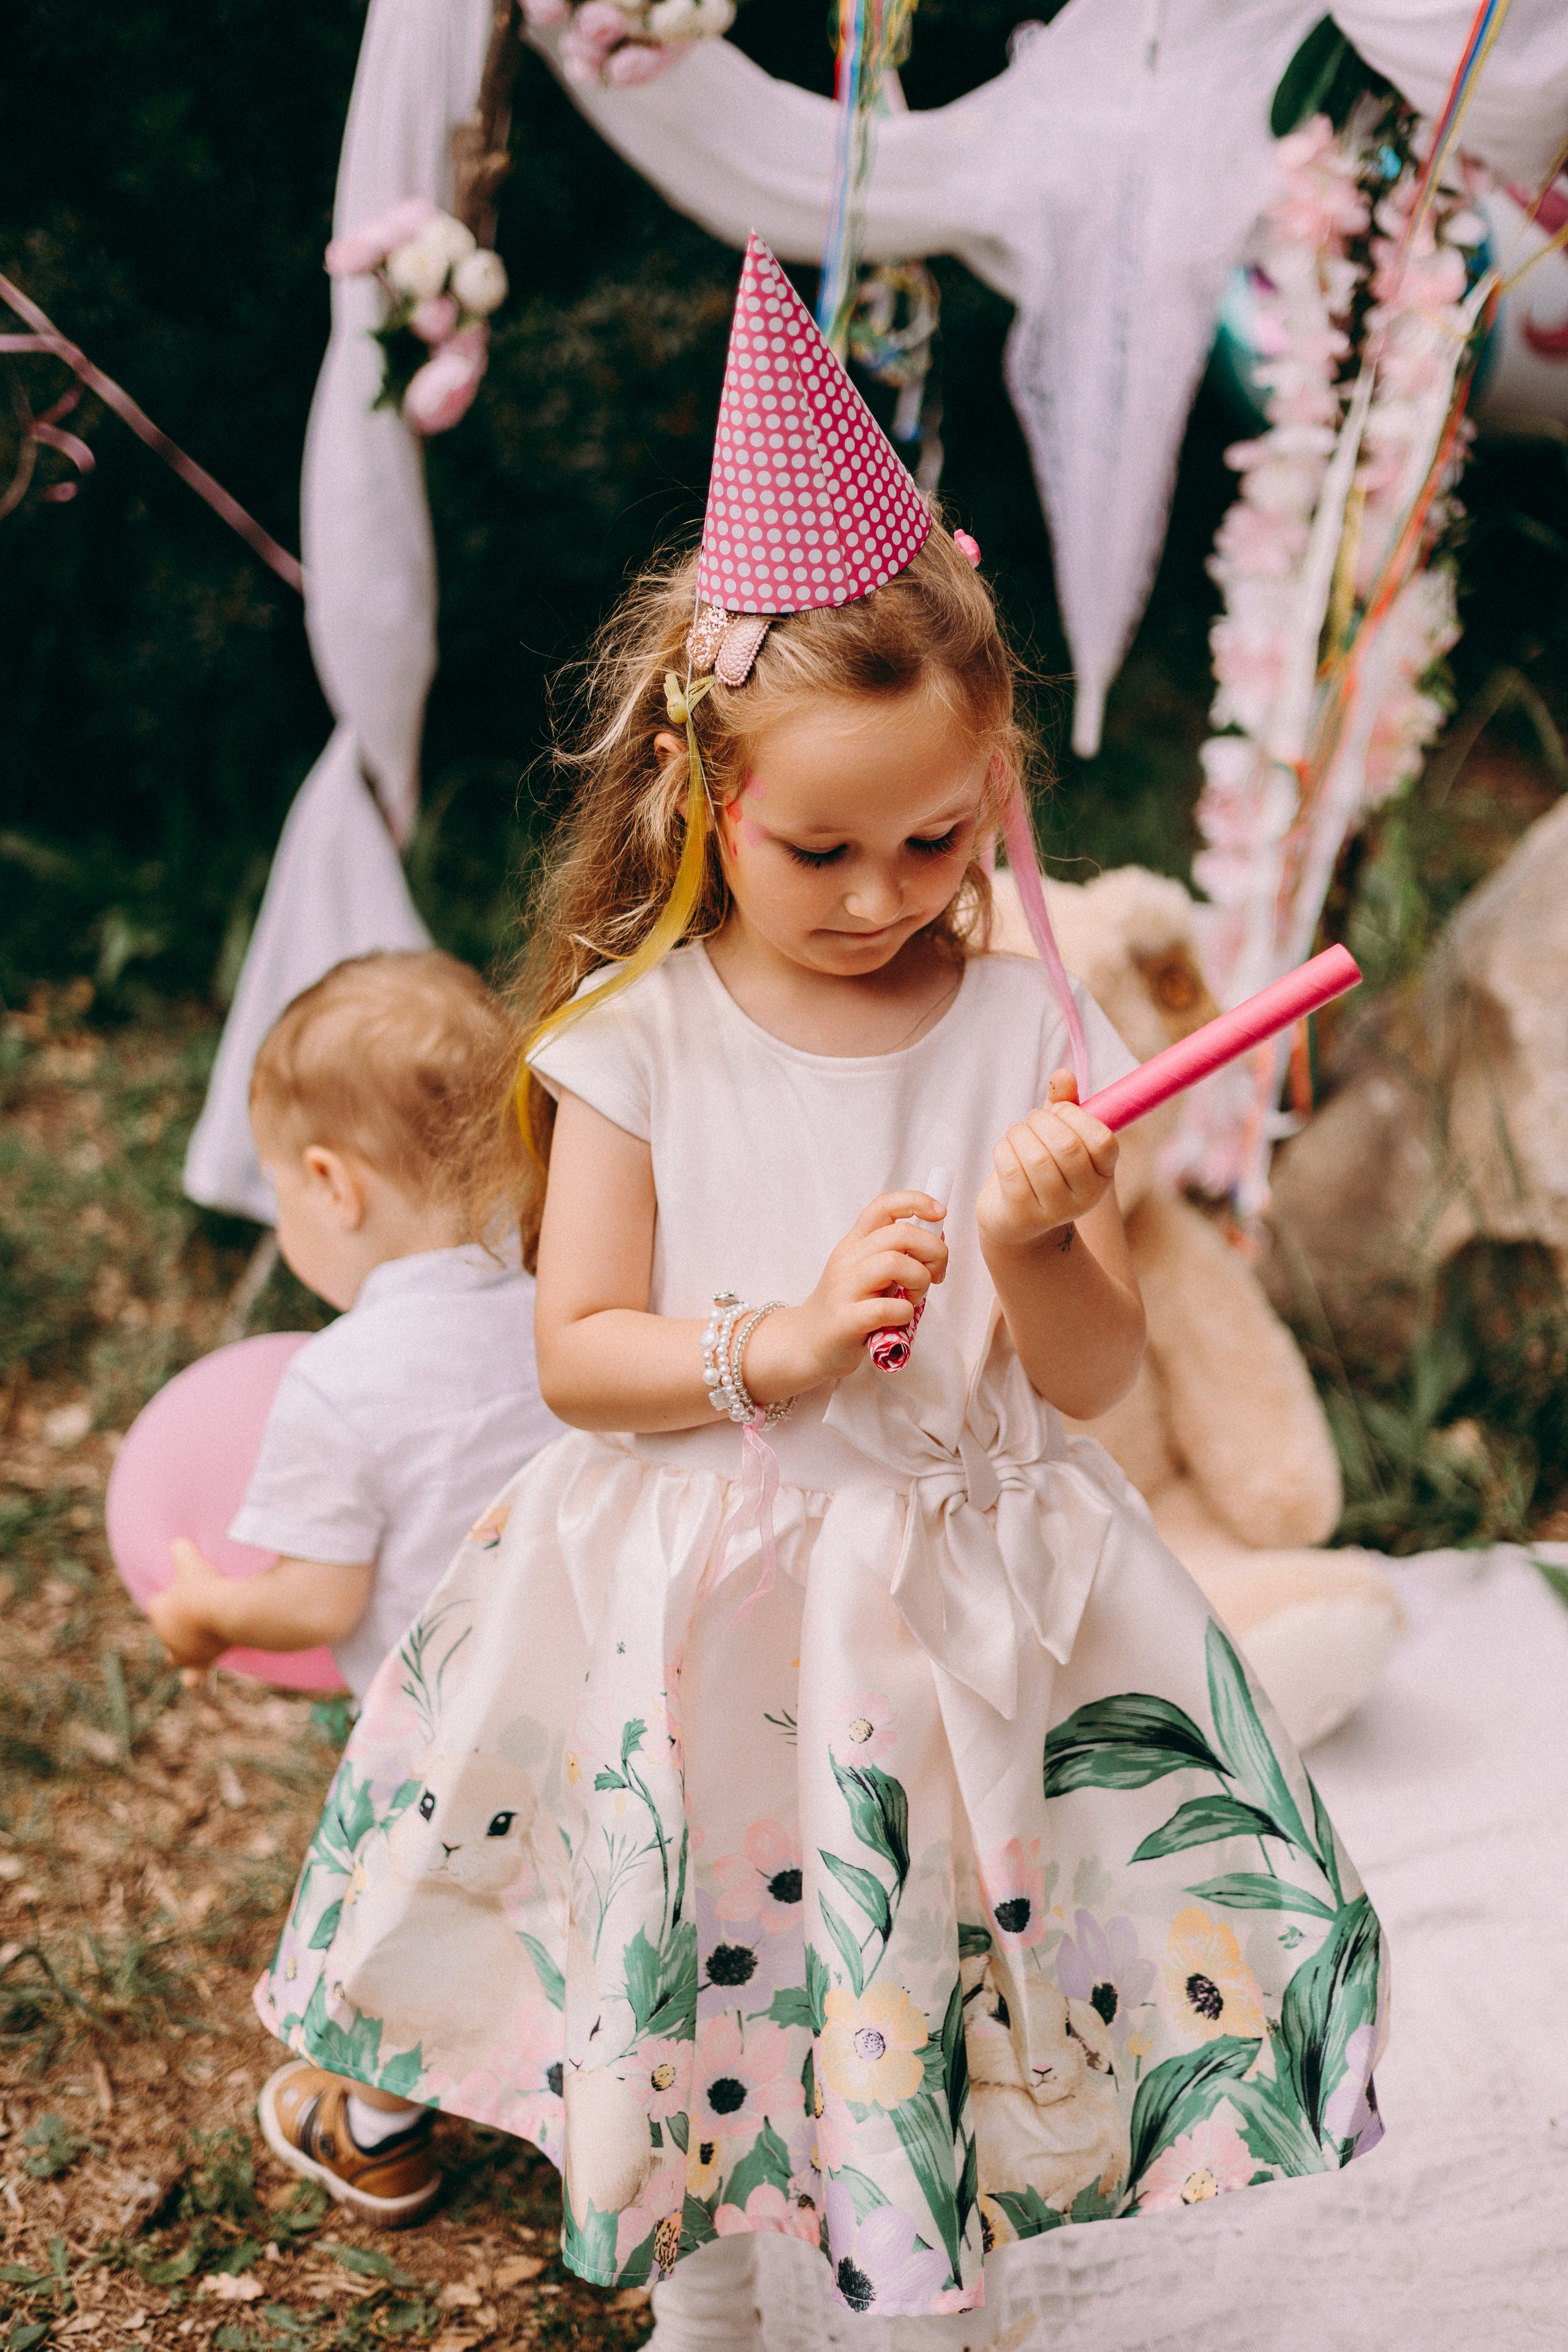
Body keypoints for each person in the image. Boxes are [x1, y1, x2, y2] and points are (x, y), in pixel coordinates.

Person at [258, 240, 1385, 2326]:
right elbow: (581, 1359)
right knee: (730, 1958)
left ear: (997, 798)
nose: (886, 901)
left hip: (962, 1591)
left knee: (926, 1950)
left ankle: (917, 2238)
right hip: (720, 1596)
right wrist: (771, 1343)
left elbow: (1083, 1385)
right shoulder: (637, 1040)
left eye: (938, 847)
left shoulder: (1015, 1024)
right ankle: (719, 2261)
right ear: (709, 799)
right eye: (824, 854)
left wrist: (1050, 1231)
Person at [149, 949, 560, 2226]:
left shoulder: (340, 1378)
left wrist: (209, 1613)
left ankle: (379, 2130)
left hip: (448, 1736)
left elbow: (316, 1607)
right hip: (597, 1687)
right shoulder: (563, 1308)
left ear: (330, 1184)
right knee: (570, 1913)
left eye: (279, 1200)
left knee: (417, 1924)